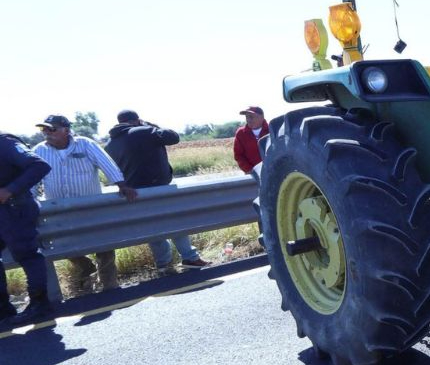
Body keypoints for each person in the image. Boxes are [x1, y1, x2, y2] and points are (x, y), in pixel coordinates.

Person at [33, 115, 137, 294]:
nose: (47, 133)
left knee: (103, 245)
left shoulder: (84, 144)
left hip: (90, 206)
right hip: (59, 209)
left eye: (52, 129)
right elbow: (32, 177)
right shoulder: (39, 151)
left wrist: (121, 184)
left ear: (66, 130)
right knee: (64, 244)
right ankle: (86, 267)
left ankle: (110, 285)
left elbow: (106, 164)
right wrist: (30, 198)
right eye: (44, 130)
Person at [106, 110, 210, 275]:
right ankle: (190, 258)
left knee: (153, 228)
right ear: (136, 120)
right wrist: (150, 125)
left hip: (135, 192)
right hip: (159, 187)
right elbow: (173, 137)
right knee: (176, 222)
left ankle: (164, 264)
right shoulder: (143, 131)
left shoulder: (110, 143)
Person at [0, 133, 53, 324]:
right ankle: (3, 309)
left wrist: (10, 189)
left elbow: (40, 165)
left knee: (27, 255)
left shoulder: (5, 143)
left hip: (14, 208)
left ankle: (40, 304)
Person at [234, 106, 267, 174]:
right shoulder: (241, 133)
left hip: (273, 172)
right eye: (247, 117)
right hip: (252, 173)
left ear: (261, 117)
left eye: (251, 117)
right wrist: (249, 170)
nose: (248, 120)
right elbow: (239, 155)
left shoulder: (272, 130)